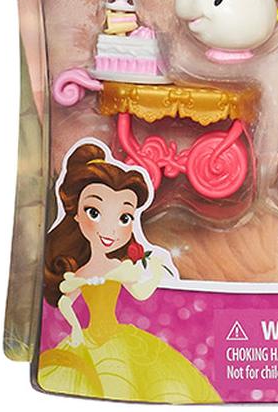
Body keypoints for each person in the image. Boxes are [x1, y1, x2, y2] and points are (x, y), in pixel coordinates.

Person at [38, 141, 221, 402]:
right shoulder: (82, 271)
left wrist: (155, 272)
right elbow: (65, 302)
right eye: (94, 212)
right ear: (76, 214)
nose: (110, 229)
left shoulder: (119, 266)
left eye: (124, 218)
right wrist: (76, 329)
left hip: (117, 337)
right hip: (89, 341)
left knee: (133, 382)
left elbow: (141, 292)